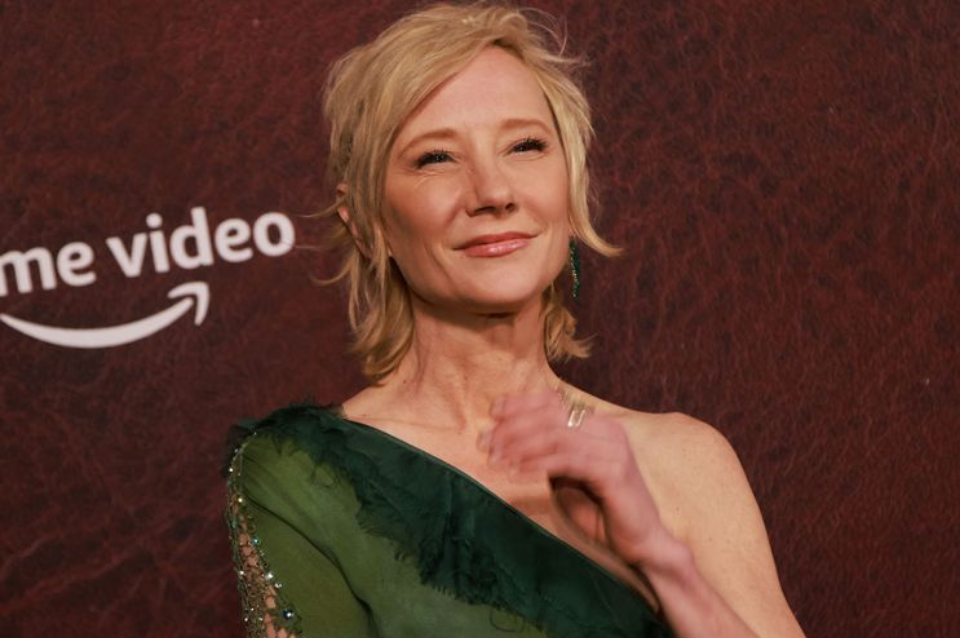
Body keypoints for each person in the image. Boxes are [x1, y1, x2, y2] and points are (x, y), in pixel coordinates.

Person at [223, 3, 806, 637]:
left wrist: (664, 563)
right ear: (367, 224)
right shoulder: (307, 476)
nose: (494, 192)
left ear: (571, 189)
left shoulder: (683, 459)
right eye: (436, 158)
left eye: (525, 146)